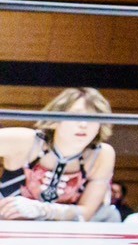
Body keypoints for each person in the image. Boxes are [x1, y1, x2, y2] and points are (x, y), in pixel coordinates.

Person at [0, 87, 116, 222]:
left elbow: (86, 213)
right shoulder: (26, 141)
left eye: (93, 118)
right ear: (55, 119)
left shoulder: (102, 155)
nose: (84, 124)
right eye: (76, 116)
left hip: (61, 234)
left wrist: (42, 209)